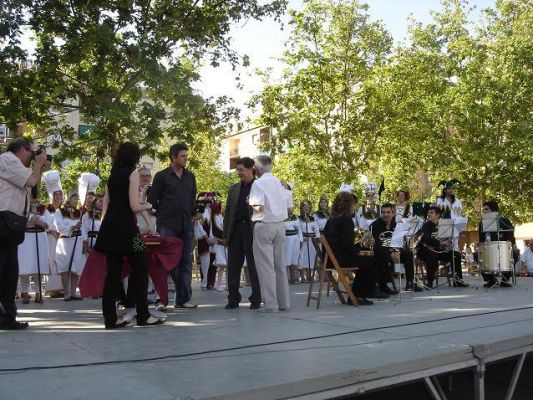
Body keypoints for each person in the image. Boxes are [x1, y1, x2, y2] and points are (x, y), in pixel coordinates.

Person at [94, 142, 163, 328]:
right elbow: (134, 205)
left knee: (112, 274)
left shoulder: (112, 175)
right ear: (134, 157)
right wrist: (149, 205)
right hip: (129, 230)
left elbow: (105, 207)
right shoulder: (132, 174)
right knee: (141, 268)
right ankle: (143, 315)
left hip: (110, 229)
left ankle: (110, 319)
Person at [0, 137, 49, 330]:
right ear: (21, 150)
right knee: (3, 270)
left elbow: (34, 191)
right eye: (32, 152)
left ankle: (7, 318)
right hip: (3, 221)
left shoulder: (18, 166)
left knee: (9, 274)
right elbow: (31, 181)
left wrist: (40, 168)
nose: (33, 156)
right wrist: (37, 165)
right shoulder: (7, 160)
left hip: (11, 224)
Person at [148, 143, 198, 309]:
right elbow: (152, 200)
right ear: (173, 157)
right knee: (164, 262)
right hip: (167, 225)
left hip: (186, 225)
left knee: (185, 262)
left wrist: (193, 214)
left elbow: (192, 199)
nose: (186, 159)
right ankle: (161, 299)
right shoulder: (162, 176)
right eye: (182, 156)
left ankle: (183, 299)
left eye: (186, 155)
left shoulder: (190, 177)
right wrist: (161, 215)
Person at [248, 155, 293, 312]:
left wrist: (249, 201)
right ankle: (284, 302)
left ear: (257, 169)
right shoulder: (280, 183)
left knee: (266, 266)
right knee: (280, 265)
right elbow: (290, 209)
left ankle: (271, 304)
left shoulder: (258, 183)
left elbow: (258, 206)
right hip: (280, 225)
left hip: (264, 225)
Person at [323, 191, 377, 305]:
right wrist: (359, 250)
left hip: (329, 259)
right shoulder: (346, 219)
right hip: (339, 259)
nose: (354, 206)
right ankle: (357, 295)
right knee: (369, 261)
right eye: (353, 204)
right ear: (348, 204)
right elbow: (347, 244)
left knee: (366, 259)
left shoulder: (332, 218)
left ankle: (358, 293)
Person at [223, 157, 262, 309]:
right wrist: (226, 235)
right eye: (237, 170)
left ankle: (256, 298)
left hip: (253, 230)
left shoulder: (259, 186)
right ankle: (233, 299)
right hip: (235, 230)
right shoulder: (233, 189)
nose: (238, 173)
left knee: (254, 266)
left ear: (251, 169)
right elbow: (228, 213)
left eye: (241, 170)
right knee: (233, 266)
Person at [370, 203, 422, 293]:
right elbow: (377, 244)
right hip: (380, 251)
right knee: (383, 256)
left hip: (393, 250)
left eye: (388, 212)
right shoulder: (375, 225)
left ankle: (410, 283)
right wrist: (391, 252)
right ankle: (383, 286)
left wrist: (396, 251)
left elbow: (398, 241)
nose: (385, 214)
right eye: (383, 212)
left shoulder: (395, 225)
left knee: (409, 254)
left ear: (393, 213)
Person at [416, 206, 468, 288]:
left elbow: (449, 237)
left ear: (438, 215)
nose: (429, 214)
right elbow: (426, 239)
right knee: (432, 256)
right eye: (428, 212)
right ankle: (429, 282)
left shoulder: (444, 225)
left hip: (439, 251)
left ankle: (457, 280)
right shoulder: (426, 225)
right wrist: (440, 242)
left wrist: (448, 243)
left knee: (456, 255)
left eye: (431, 213)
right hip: (425, 250)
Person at [18, 199, 50, 304]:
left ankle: (38, 293)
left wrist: (41, 223)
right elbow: (17, 223)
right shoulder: (22, 206)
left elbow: (50, 225)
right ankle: (25, 293)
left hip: (40, 238)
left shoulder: (43, 209)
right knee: (25, 267)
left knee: (38, 266)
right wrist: (29, 223)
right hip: (26, 238)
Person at [478, 200, 516, 287]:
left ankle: (505, 279)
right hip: (489, 249)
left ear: (494, 210)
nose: (484, 211)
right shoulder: (481, 223)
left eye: (486, 209)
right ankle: (490, 280)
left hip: (503, 249)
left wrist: (513, 244)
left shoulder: (504, 221)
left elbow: (511, 236)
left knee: (514, 253)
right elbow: (481, 240)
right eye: (483, 210)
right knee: (477, 254)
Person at [55, 190, 85, 301]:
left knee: (76, 267)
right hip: (65, 242)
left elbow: (83, 228)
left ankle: (73, 293)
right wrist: (73, 228)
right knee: (65, 267)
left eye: (77, 198)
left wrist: (83, 240)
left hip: (77, 241)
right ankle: (66, 293)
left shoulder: (79, 212)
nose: (76, 200)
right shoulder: (60, 211)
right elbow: (59, 227)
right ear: (69, 198)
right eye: (74, 198)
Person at [42, 170, 64, 298]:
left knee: (59, 261)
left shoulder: (63, 210)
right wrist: (51, 231)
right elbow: (44, 222)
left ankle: (60, 287)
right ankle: (52, 288)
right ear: (52, 195)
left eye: (60, 194)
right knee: (51, 261)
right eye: (56, 194)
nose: (58, 197)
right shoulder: (47, 209)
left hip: (62, 239)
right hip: (51, 238)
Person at [297, 200, 320, 283]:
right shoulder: (298, 219)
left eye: (308, 206)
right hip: (303, 241)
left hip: (311, 240)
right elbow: (298, 230)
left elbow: (316, 229)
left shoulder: (312, 218)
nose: (307, 208)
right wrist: (302, 238)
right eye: (305, 206)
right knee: (302, 258)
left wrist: (317, 238)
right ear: (301, 208)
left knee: (312, 257)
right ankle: (303, 277)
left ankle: (310, 276)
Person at [284, 207, 303, 284]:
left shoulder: (295, 217)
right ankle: (287, 278)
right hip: (286, 240)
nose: (290, 209)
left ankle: (294, 277)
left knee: (294, 258)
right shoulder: (282, 217)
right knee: (286, 259)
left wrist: (301, 240)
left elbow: (299, 229)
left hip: (295, 239)